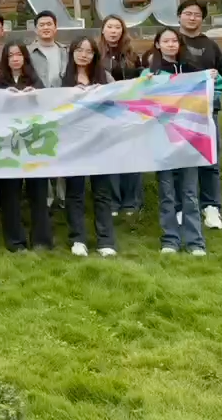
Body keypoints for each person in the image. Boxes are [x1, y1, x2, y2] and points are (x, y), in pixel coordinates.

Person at [142, 27, 211, 257]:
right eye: (166, 41)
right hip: (162, 139)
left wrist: (211, 78)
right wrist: (145, 84)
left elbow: (216, 88)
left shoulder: (192, 70)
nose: (171, 44)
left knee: (190, 192)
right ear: (157, 44)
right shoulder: (150, 73)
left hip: (189, 140)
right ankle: (170, 240)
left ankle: (195, 242)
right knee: (167, 192)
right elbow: (139, 101)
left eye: (174, 41)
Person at [0, 42, 53, 252]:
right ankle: (15, 241)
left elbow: (47, 110)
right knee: (9, 195)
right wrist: (4, 99)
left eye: (19, 55)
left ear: (25, 57)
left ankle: (41, 240)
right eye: (11, 55)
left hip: (33, 144)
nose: (15, 59)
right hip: (8, 146)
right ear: (5, 59)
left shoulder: (35, 81)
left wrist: (35, 97)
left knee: (38, 193)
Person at [61, 36, 117, 258]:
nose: (83, 55)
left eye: (88, 51)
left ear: (95, 55)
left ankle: (106, 240)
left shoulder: (105, 78)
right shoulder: (61, 79)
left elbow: (121, 99)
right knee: (74, 192)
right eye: (79, 50)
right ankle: (78, 239)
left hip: (99, 142)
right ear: (72, 52)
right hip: (73, 143)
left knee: (102, 192)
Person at [177, 0, 222, 230]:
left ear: (202, 19)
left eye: (197, 14)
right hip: (176, 112)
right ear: (179, 16)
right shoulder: (171, 41)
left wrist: (214, 88)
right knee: (179, 160)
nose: (192, 18)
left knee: (210, 158)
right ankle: (181, 207)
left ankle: (211, 207)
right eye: (187, 13)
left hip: (206, 110)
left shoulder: (211, 46)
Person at [98, 14, 145, 216]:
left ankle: (131, 201)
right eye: (110, 27)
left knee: (131, 155)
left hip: (129, 111)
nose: (113, 31)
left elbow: (141, 78)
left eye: (117, 27)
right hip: (105, 112)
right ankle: (113, 201)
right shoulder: (96, 54)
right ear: (103, 30)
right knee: (110, 156)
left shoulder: (132, 55)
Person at [28, 10, 69, 209]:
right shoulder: (28, 52)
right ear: (36, 29)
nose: (45, 28)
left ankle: (63, 195)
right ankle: (47, 196)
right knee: (41, 150)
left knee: (61, 149)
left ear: (55, 27)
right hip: (36, 107)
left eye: (49, 24)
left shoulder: (65, 51)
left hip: (62, 106)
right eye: (41, 24)